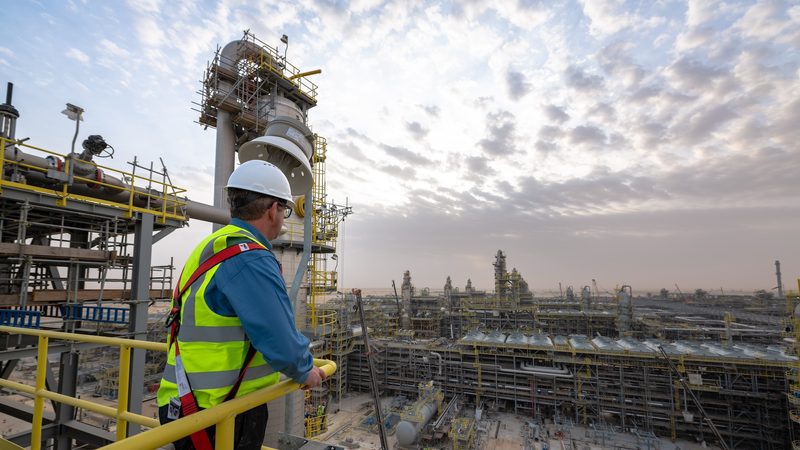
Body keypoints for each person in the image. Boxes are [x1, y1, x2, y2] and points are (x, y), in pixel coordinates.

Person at [157, 160, 326, 450]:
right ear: (273, 209)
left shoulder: (213, 245)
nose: (284, 218)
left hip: (181, 401)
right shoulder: (251, 257)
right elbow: (278, 336)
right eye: (284, 210)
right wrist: (307, 370)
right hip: (219, 412)